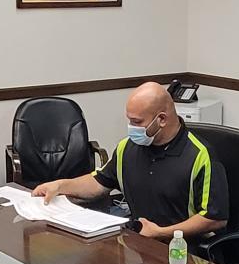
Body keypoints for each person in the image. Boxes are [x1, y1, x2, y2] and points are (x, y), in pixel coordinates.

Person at [30, 81, 227, 242]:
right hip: (139, 243)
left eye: (137, 122)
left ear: (162, 120)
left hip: (183, 250)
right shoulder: (128, 147)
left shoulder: (201, 155)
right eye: (129, 120)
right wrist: (60, 185)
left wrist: (161, 233)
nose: (131, 127)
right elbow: (99, 182)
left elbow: (214, 219)